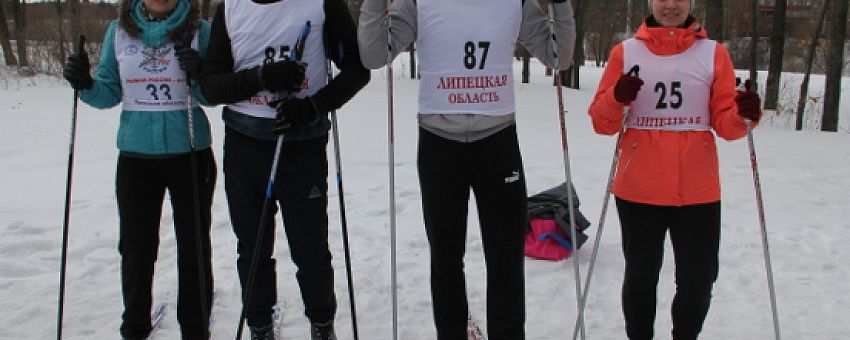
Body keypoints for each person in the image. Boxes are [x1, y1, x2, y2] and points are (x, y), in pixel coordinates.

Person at [358, 0, 576, 338]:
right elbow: (374, 55)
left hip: (497, 141)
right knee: (445, 259)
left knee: (505, 258)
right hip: (439, 143)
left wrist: (561, 5)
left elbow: (558, 56)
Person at [587, 0, 763, 339]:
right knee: (641, 276)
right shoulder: (626, 52)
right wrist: (616, 97)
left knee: (698, 279)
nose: (671, 5)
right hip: (639, 186)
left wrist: (745, 115)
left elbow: (725, 124)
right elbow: (601, 121)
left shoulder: (714, 53)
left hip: (697, 189)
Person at [197, 0, 369, 339]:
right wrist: (262, 77)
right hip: (245, 144)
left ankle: (322, 325)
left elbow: (357, 69)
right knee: (252, 246)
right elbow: (211, 85)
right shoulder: (231, 7)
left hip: (302, 144)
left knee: (310, 247)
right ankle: (259, 326)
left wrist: (313, 107)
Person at [62, 0, 215, 339]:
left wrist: (202, 72)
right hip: (136, 156)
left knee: (194, 244)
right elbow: (109, 91)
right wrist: (85, 83)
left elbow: (211, 95)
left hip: (189, 150)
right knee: (136, 247)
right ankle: (134, 325)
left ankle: (194, 326)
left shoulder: (200, 31)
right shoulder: (117, 32)